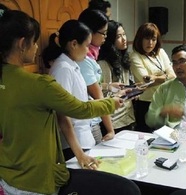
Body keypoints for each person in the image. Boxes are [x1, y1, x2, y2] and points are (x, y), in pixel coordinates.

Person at [0, 10, 140, 195]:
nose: (36, 48)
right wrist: (112, 103)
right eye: (34, 42)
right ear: (21, 44)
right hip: (34, 178)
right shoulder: (38, 83)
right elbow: (78, 108)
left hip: (10, 172)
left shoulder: (7, 79)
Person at [77, 8, 116, 144]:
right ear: (90, 32)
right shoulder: (84, 60)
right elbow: (98, 97)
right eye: (103, 33)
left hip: (91, 120)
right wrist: (110, 130)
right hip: (88, 123)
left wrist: (109, 86)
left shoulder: (89, 57)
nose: (105, 37)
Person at [130, 22, 176, 132]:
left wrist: (155, 78)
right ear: (140, 39)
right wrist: (164, 76)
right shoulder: (135, 56)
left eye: (154, 39)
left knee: (165, 136)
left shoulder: (161, 52)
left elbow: (173, 76)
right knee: (146, 136)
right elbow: (145, 81)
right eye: (147, 38)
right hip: (146, 103)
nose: (150, 43)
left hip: (165, 100)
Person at [98, 20, 136, 133]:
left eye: (124, 34)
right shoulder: (103, 63)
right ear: (110, 40)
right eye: (118, 36)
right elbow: (103, 92)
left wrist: (133, 90)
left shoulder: (123, 58)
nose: (124, 39)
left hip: (128, 116)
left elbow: (120, 87)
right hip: (113, 120)